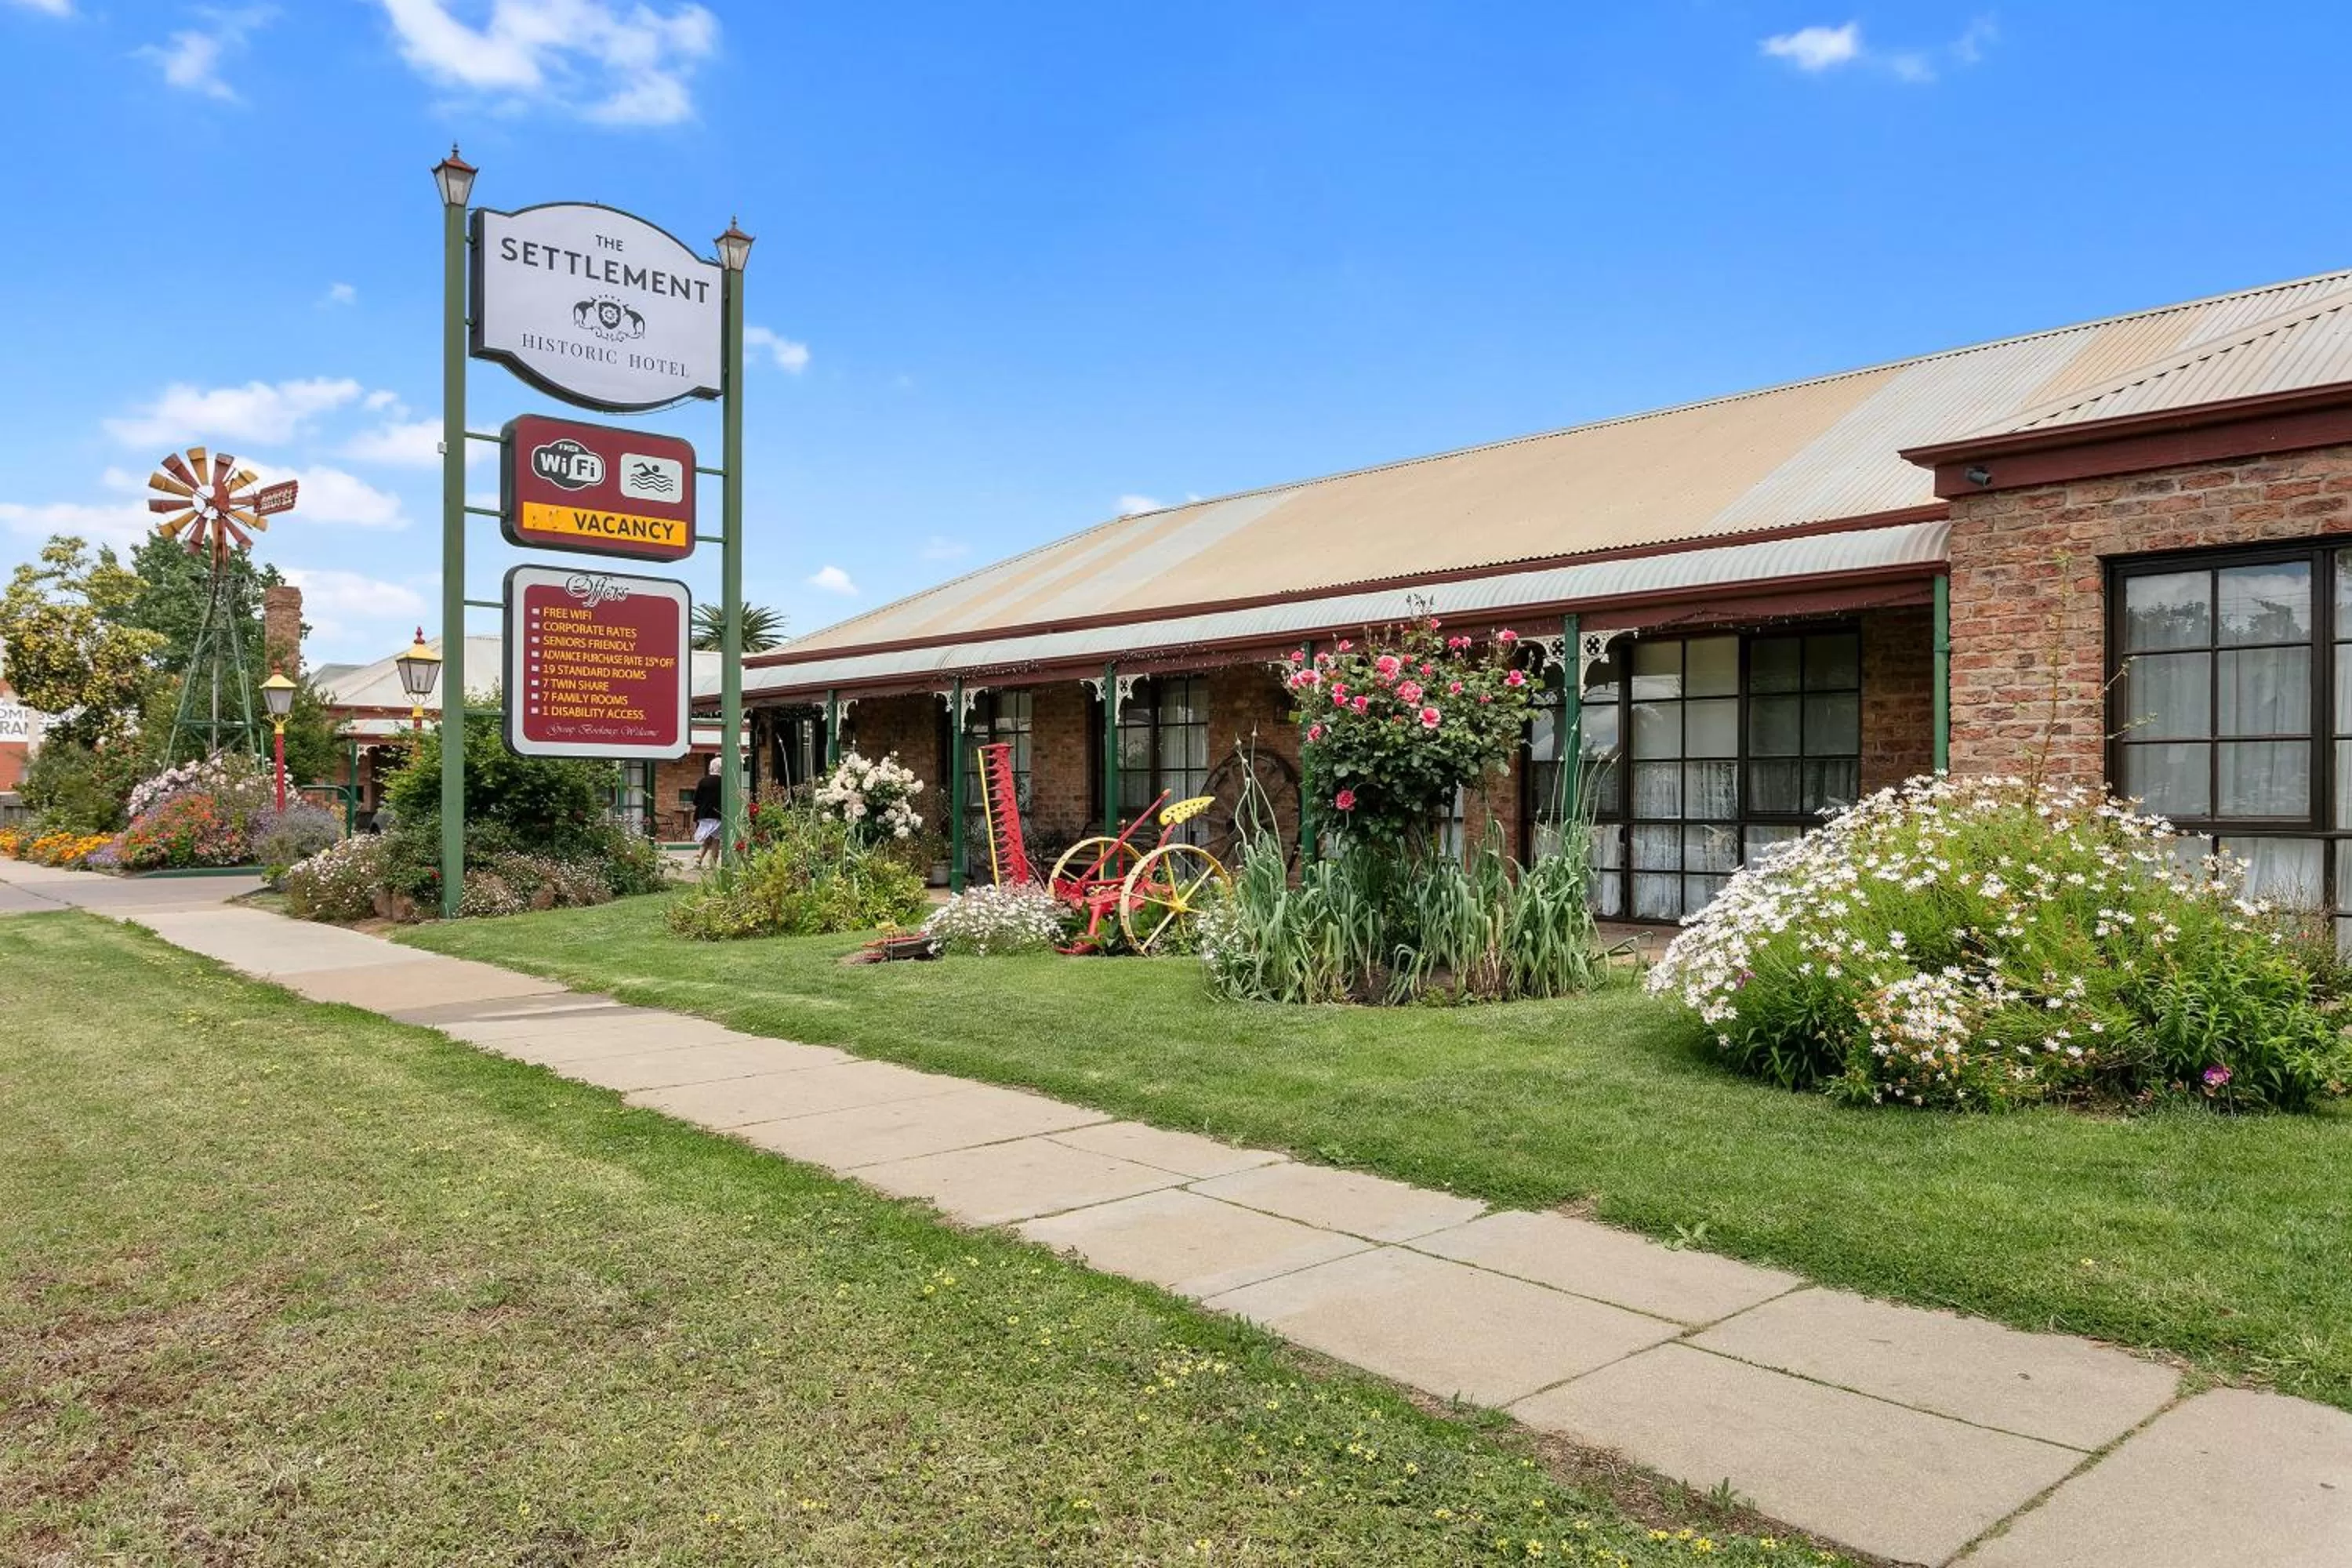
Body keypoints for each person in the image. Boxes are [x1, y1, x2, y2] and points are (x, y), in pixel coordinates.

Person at [692, 756, 724, 869]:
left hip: (704, 815)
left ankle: (698, 859)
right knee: (716, 839)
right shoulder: (724, 782)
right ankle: (713, 864)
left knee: (706, 838)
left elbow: (696, 800)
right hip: (718, 814)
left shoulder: (703, 781)